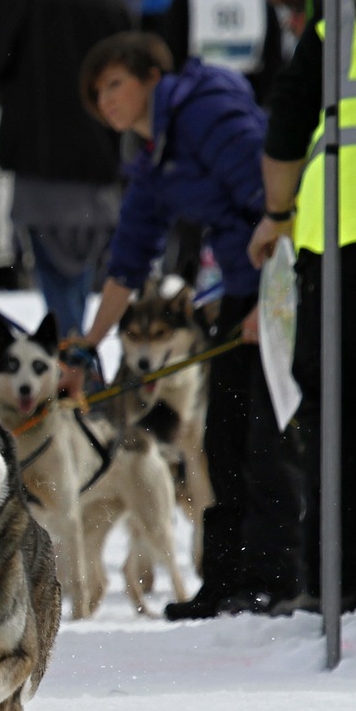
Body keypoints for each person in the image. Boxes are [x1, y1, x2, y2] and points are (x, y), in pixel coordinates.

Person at [75, 31, 304, 619]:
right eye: (97, 95)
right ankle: (224, 579)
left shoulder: (205, 110)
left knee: (265, 440)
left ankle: (277, 578)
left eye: (115, 84)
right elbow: (131, 252)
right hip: (239, 289)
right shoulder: (153, 152)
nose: (107, 102)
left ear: (152, 76)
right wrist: (90, 341)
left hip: (280, 282)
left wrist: (269, 302)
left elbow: (272, 196)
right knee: (220, 442)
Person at [248, 0, 356, 614]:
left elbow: (286, 129)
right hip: (343, 247)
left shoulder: (342, 18)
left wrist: (275, 215)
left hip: (346, 248)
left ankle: (337, 579)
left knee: (338, 415)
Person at [0, 0, 133, 341]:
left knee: (59, 297)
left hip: (38, 169)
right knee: (80, 289)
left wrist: (22, 104)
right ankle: (79, 364)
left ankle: (73, 367)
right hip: (101, 172)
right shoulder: (111, 0)